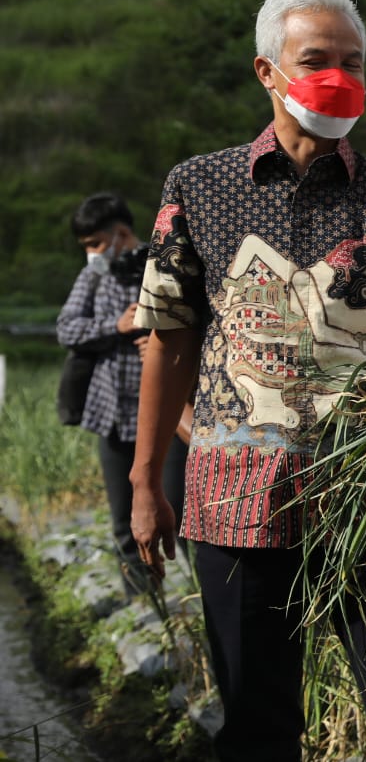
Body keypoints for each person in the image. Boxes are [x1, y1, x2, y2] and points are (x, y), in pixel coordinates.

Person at [127, 0, 366, 762]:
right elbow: (169, 340)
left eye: (353, 62)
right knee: (256, 729)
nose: (339, 76)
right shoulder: (199, 187)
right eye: (316, 60)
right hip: (234, 499)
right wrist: (146, 477)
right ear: (268, 71)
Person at [56, 193, 187, 598]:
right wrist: (114, 325)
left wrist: (160, 340)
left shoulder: (166, 265)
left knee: (181, 514)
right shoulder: (94, 277)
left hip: (167, 415)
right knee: (123, 520)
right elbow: (66, 329)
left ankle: (199, 601)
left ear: (122, 234)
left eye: (96, 243)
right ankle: (145, 602)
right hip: (112, 414)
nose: (93, 254)